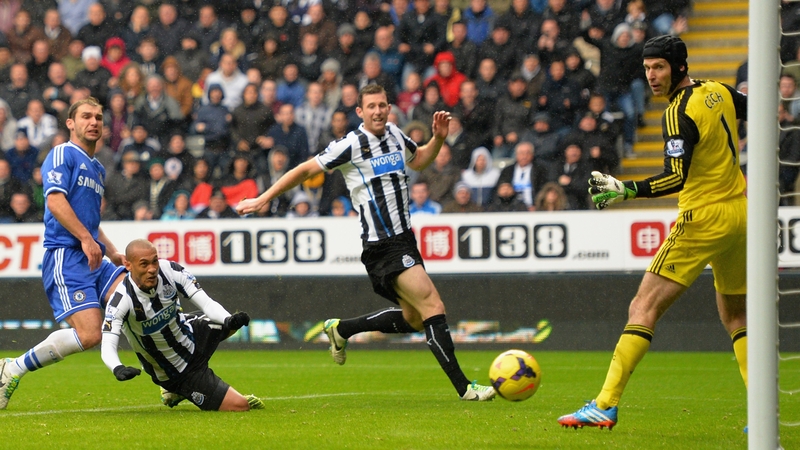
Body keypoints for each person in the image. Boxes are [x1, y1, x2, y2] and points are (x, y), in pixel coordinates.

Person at [237, 84, 496, 401]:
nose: (378, 111)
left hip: (404, 240)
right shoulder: (351, 144)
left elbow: (419, 161)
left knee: (415, 318)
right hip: (382, 244)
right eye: (371, 106)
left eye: (382, 105)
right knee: (434, 306)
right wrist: (263, 199)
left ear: (389, 108)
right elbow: (305, 169)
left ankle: (341, 330)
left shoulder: (397, 136)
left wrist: (438, 138)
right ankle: (464, 387)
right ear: (359, 112)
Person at [557, 35, 748, 429]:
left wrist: (627, 189)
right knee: (737, 315)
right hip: (741, 213)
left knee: (642, 307)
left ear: (680, 67)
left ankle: (605, 403)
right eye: (647, 69)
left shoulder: (678, 113)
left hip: (704, 217)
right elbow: (755, 108)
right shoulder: (718, 91)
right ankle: (763, 407)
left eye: (658, 67)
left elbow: (676, 177)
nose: (651, 76)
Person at [0, 97, 126, 409]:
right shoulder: (62, 153)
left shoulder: (96, 168)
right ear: (70, 123)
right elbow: (55, 202)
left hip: (94, 255)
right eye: (86, 116)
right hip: (67, 256)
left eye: (98, 117)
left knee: (135, 296)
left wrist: (112, 253)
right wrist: (84, 239)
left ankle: (170, 379)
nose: (94, 122)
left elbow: (90, 223)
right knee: (90, 334)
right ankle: (12, 368)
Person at [100, 239, 264, 411]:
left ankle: (184, 391)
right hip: (177, 370)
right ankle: (173, 389)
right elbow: (108, 344)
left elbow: (207, 304)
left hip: (191, 334)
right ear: (128, 265)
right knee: (240, 406)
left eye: (154, 261)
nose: (152, 269)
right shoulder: (121, 300)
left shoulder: (170, 270)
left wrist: (228, 319)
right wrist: (117, 368)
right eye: (144, 264)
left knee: (230, 323)